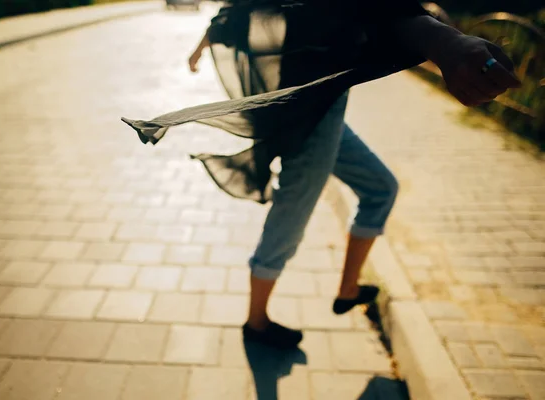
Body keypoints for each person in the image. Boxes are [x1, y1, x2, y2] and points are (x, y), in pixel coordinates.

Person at [123, 0, 520, 349]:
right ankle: (256, 322)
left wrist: (205, 40)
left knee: (380, 188)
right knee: (291, 214)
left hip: (322, 106)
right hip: (313, 111)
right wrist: (441, 39)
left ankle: (348, 289)